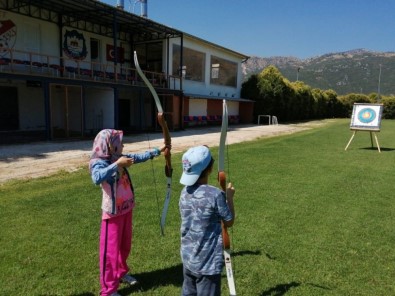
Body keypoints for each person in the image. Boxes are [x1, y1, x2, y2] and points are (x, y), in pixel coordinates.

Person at [89, 129, 165, 296]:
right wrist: (117, 165)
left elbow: (137, 157)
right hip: (112, 214)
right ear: (110, 144)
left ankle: (121, 273)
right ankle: (108, 290)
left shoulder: (118, 157)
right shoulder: (99, 162)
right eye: (119, 142)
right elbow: (96, 178)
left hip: (126, 209)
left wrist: (158, 151)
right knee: (110, 252)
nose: (122, 145)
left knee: (124, 246)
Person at [179, 145, 235, 296]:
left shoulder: (184, 191)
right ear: (210, 169)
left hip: (188, 258)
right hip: (207, 264)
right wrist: (229, 197)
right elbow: (228, 221)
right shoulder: (215, 195)